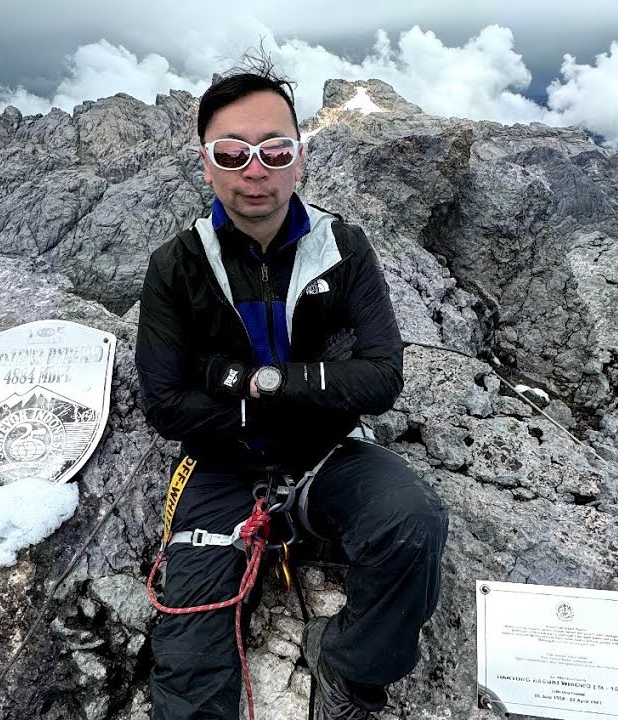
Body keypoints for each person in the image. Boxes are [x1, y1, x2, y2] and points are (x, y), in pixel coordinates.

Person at [135, 63, 449, 720]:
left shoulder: (345, 250)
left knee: (412, 524)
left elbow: (382, 378)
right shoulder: (177, 266)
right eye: (233, 152)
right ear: (207, 164)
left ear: (299, 160)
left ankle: (350, 666)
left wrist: (259, 384)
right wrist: (273, 409)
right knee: (191, 659)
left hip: (327, 451)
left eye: (275, 151)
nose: (256, 169)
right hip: (223, 466)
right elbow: (165, 401)